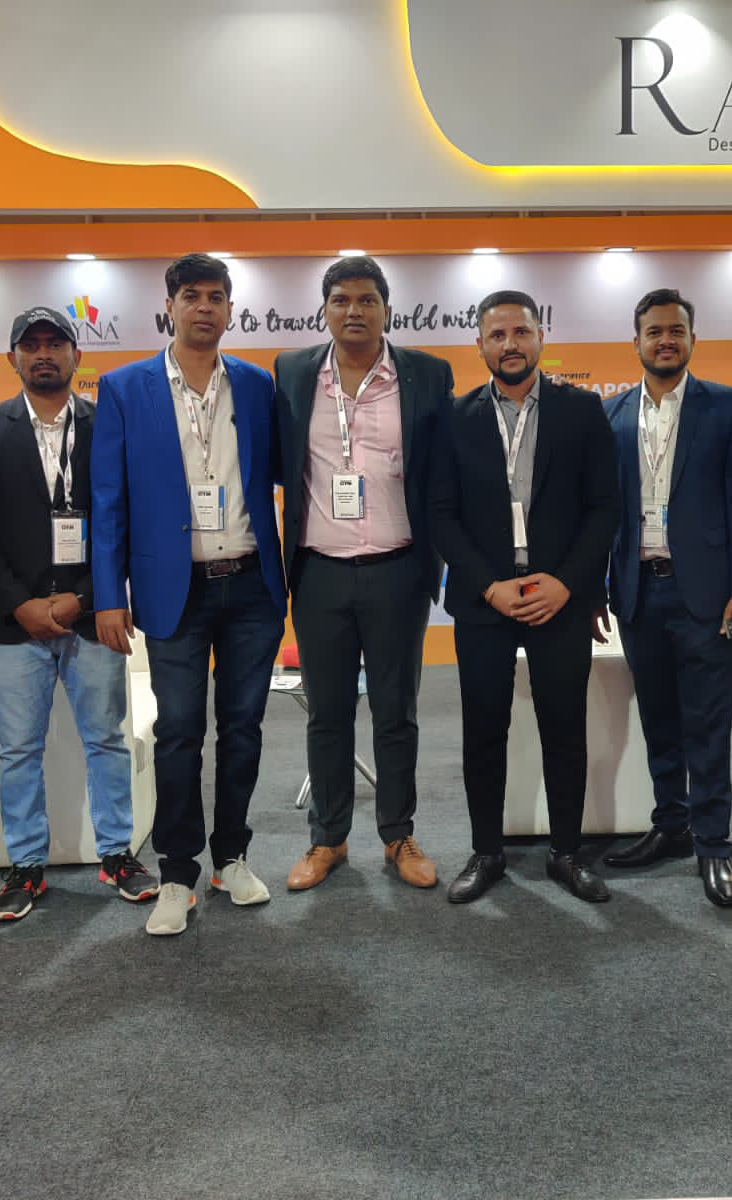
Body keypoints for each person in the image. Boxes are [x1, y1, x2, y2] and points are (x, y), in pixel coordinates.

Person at [90, 254, 286, 936]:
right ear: (169, 305)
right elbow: (108, 500)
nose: (205, 307)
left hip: (251, 586)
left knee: (243, 728)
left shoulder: (257, 385)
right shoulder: (124, 388)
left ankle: (231, 856)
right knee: (177, 732)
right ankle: (177, 873)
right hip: (173, 590)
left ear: (231, 308)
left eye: (217, 296)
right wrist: (107, 594)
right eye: (192, 295)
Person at [0, 307, 157, 921]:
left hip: (91, 614)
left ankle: (117, 853)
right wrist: (19, 603)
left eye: (56, 343)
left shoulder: (107, 424)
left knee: (106, 740)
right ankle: (25, 865)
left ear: (77, 356)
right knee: (18, 749)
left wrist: (83, 599)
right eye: (31, 345)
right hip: (12, 623)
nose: (43, 353)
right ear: (12, 357)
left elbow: (127, 520)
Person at [429, 289, 620, 904]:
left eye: (520, 332)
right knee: (484, 729)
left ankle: (566, 852)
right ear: (479, 345)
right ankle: (487, 851)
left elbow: (604, 507)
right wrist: (489, 585)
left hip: (557, 597)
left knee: (564, 728)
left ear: (541, 338)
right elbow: (439, 513)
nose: (509, 345)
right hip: (485, 600)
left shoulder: (581, 410)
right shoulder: (453, 417)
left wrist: (567, 583)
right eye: (497, 335)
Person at [272, 257, 456, 892]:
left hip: (398, 569)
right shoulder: (293, 372)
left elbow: (444, 470)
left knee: (395, 713)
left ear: (387, 309)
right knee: (326, 713)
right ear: (324, 309)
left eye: (367, 299)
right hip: (318, 572)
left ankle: (398, 834)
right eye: (341, 300)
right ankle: (327, 838)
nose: (354, 311)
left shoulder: (427, 374)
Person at [595, 288, 732, 908]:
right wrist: (595, 589)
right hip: (638, 591)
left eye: (676, 331)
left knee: (708, 725)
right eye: (654, 331)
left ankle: (713, 844)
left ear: (692, 339)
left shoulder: (727, 406)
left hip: (708, 597)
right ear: (635, 342)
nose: (665, 340)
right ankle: (671, 826)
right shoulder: (611, 414)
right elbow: (600, 511)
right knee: (659, 720)